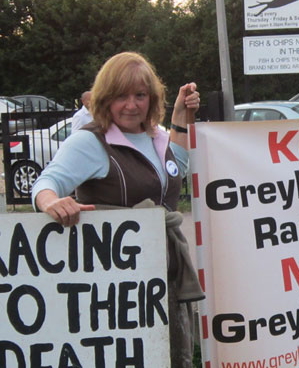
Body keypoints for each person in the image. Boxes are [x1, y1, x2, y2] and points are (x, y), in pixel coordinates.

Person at [31, 52, 202, 368]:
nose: (132, 105)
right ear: (105, 98)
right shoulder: (91, 142)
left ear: (152, 98)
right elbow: (46, 182)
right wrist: (52, 202)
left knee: (164, 354)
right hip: (113, 284)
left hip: (161, 275)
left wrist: (179, 117)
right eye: (121, 96)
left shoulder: (156, 136)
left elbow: (175, 166)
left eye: (140, 95)